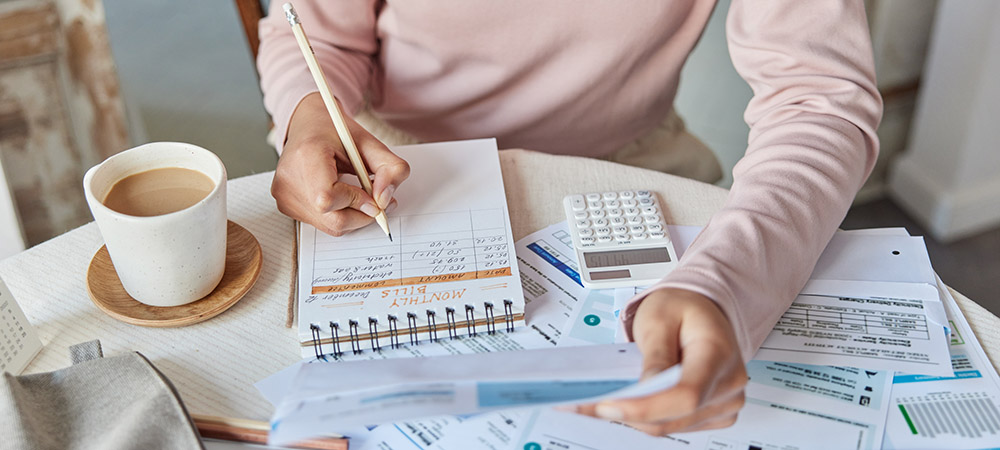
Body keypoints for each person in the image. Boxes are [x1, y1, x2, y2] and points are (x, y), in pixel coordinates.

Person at [256, 0, 882, 436]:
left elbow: (819, 101)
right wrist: (309, 115)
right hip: (397, 163)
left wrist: (723, 285)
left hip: (636, 158)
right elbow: (318, 38)